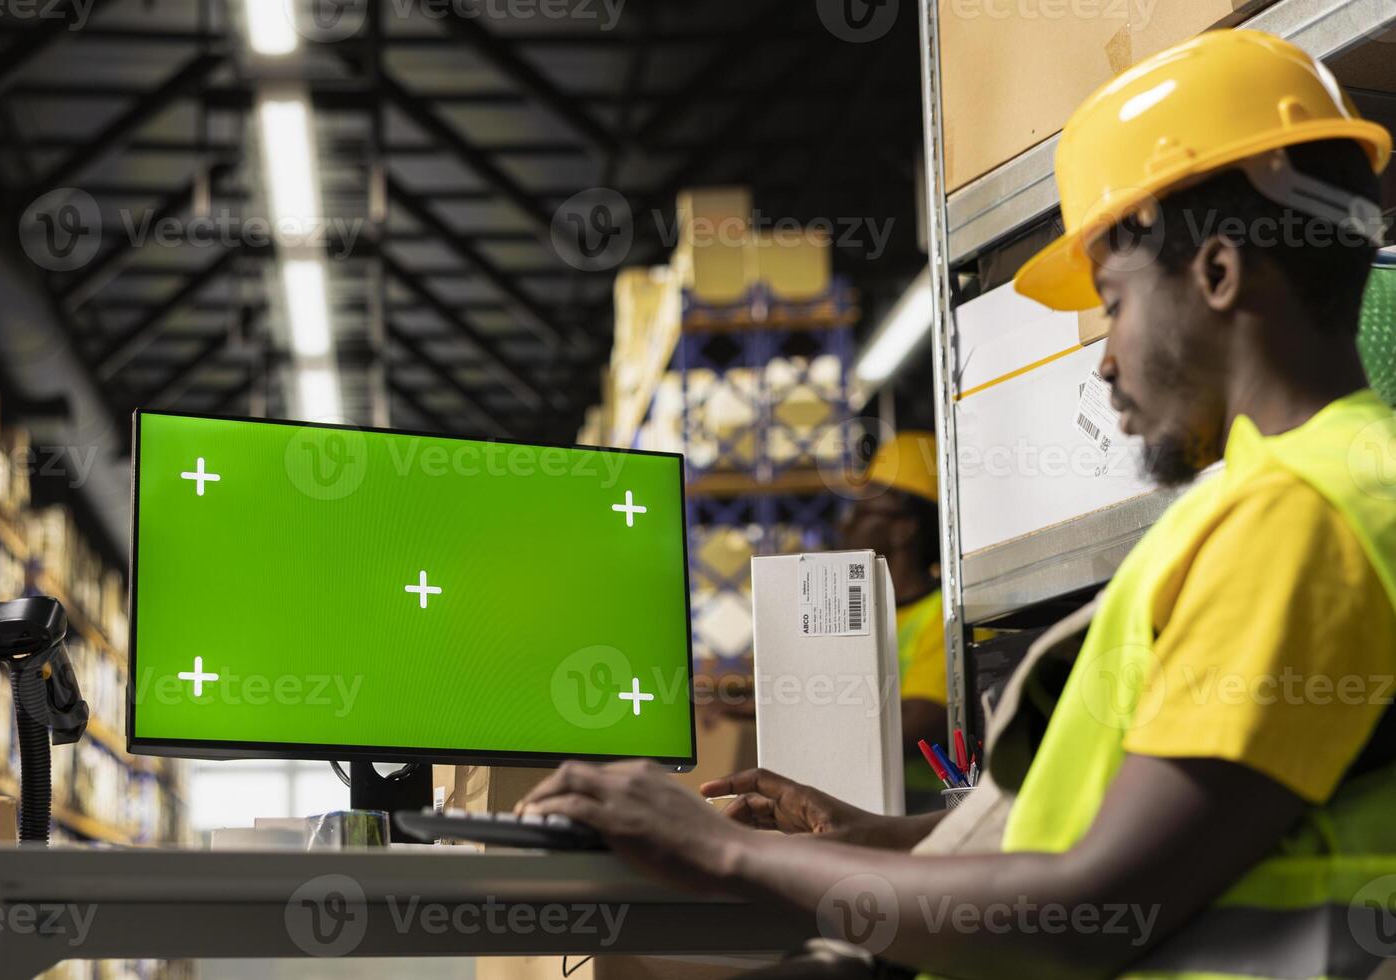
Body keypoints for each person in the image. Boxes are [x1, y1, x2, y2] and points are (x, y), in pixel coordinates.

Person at [518, 30, 1396, 978]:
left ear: (1218, 275)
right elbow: (1089, 834)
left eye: (1112, 300)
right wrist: (859, 835)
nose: (1103, 355)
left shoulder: (1305, 514)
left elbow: (1088, 908)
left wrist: (720, 849)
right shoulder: (1294, 491)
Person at [839, 431, 951, 810]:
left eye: (863, 508)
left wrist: (797, 718)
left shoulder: (947, 614)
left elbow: (917, 723)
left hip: (921, 815)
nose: (847, 523)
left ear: (903, 528)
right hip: (862, 807)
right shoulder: (857, 614)